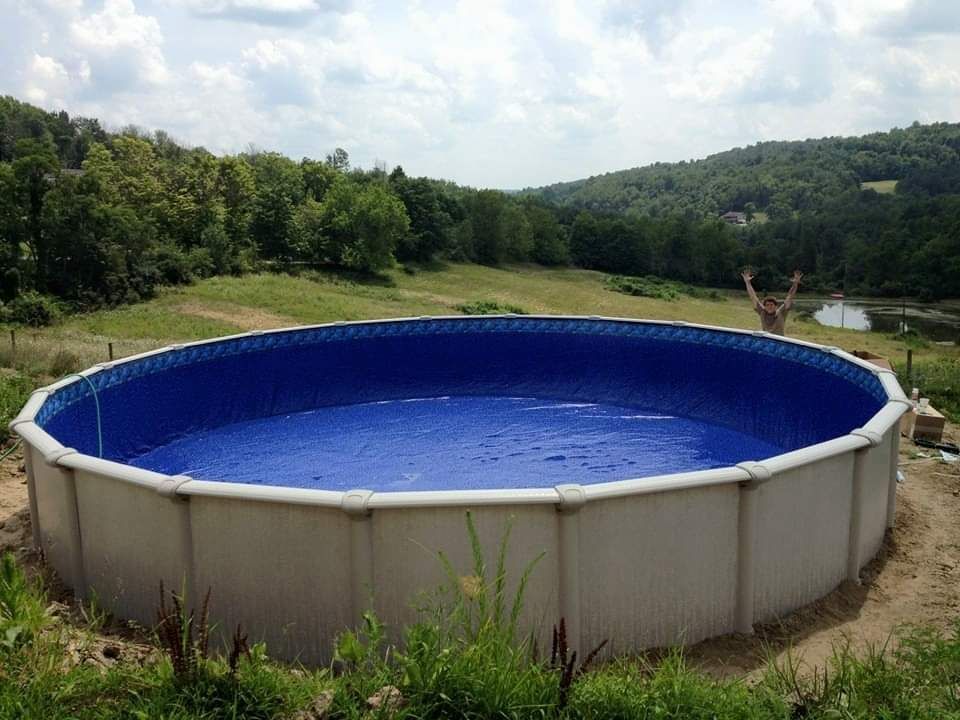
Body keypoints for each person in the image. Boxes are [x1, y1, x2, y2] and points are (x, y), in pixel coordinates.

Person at [741, 269, 802, 336]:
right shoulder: (762, 312)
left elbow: (789, 296)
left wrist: (795, 284)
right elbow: (753, 297)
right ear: (764, 306)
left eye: (771, 305)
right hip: (767, 341)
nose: (769, 306)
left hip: (779, 341)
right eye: (767, 305)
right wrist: (747, 282)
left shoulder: (781, 312)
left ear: (776, 306)